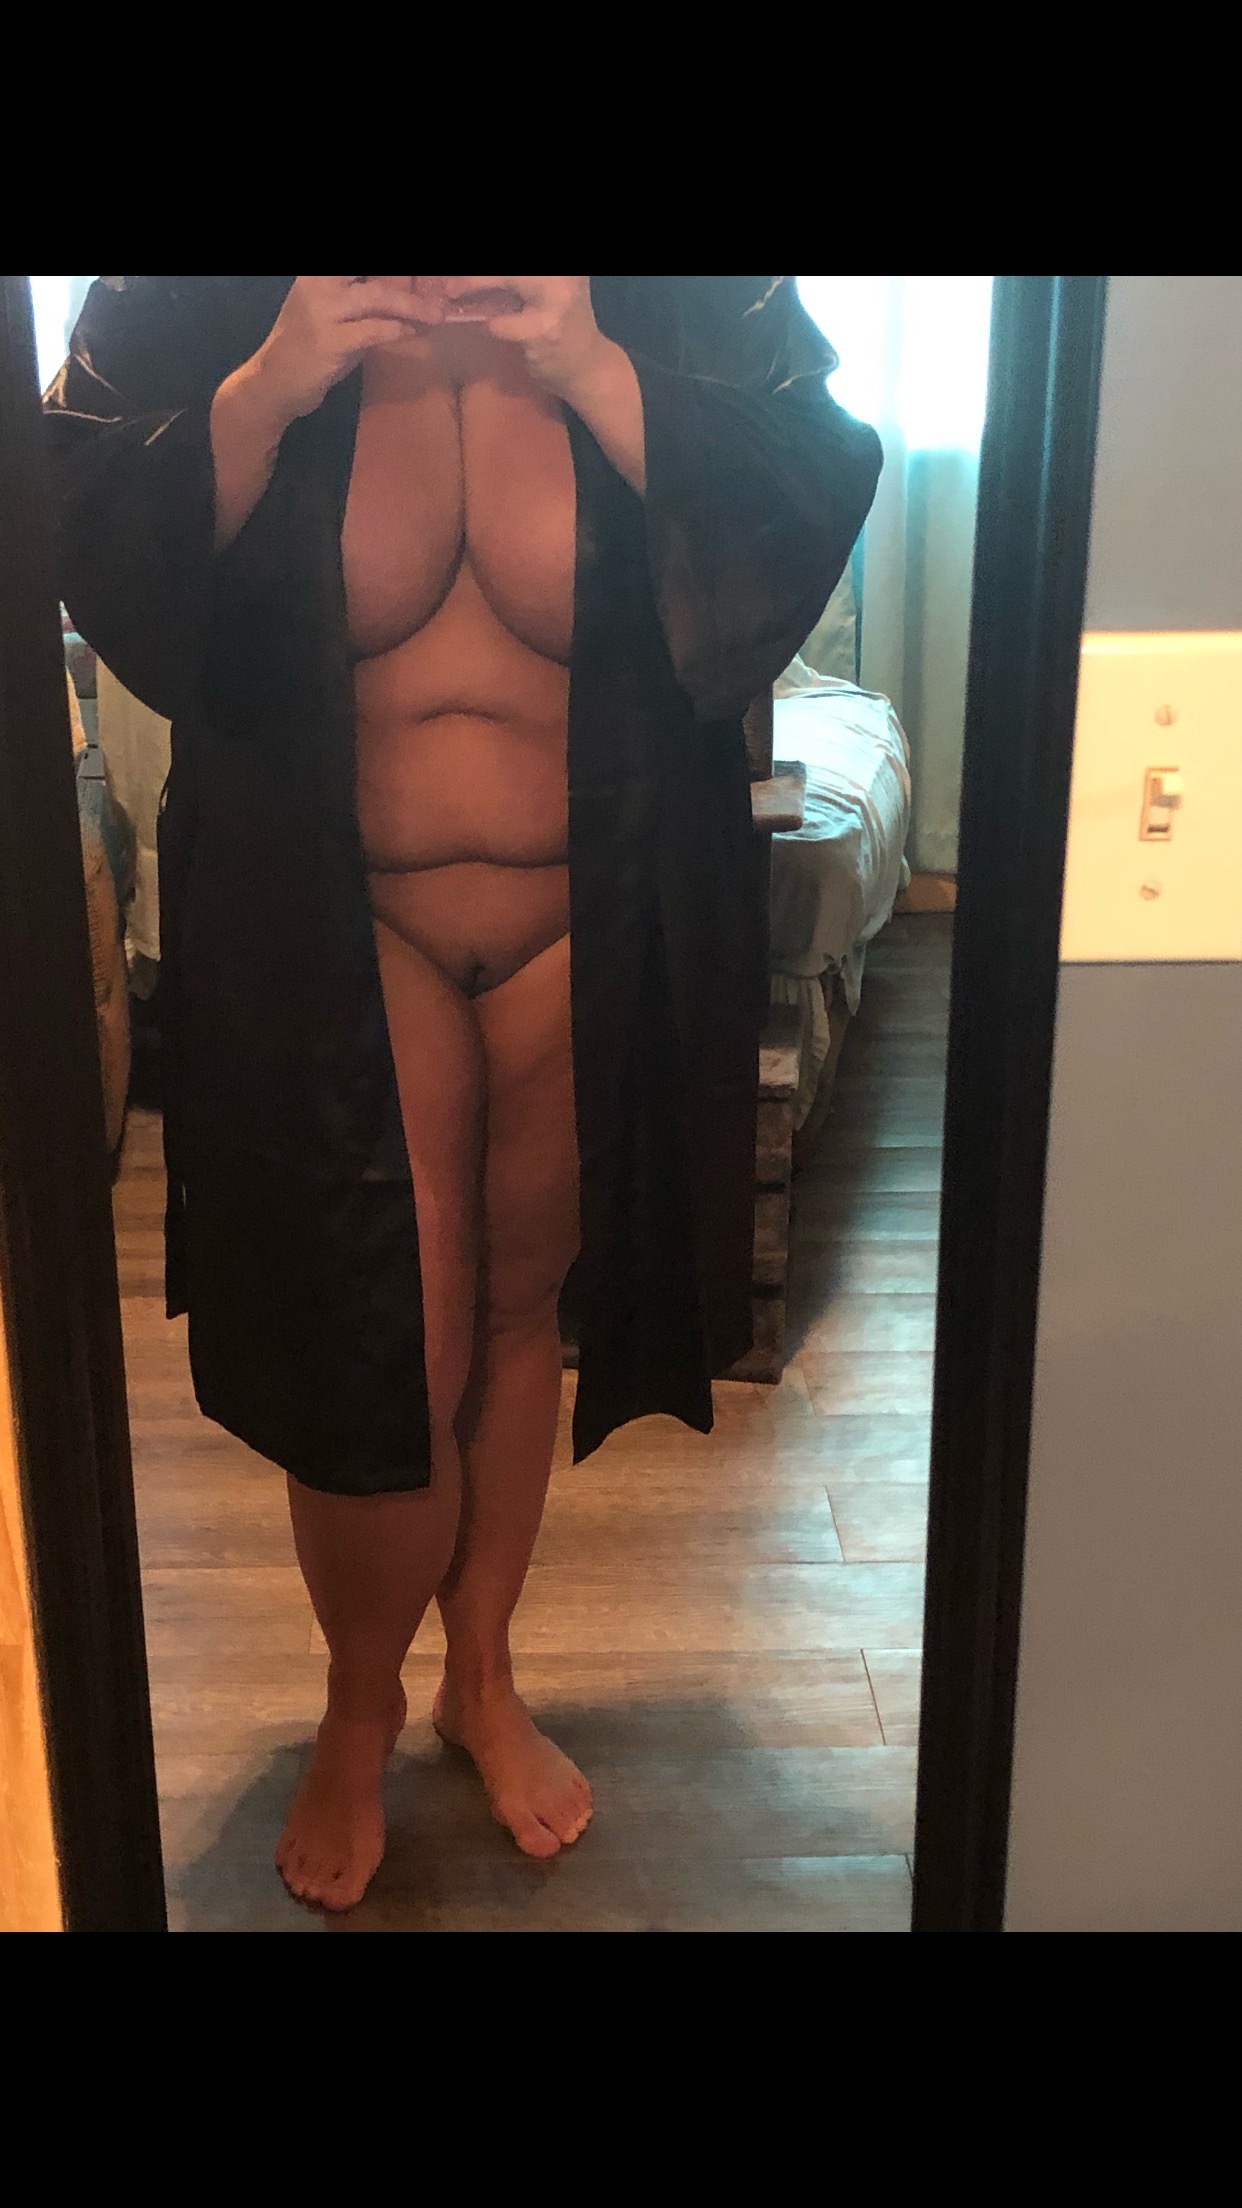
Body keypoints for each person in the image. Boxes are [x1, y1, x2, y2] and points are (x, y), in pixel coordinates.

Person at [45, 276, 881, 1910]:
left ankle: (480, 1677)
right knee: (387, 1332)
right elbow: (80, 519)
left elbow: (809, 484)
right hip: (334, 916)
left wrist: (598, 370)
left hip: (596, 909)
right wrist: (266, 390)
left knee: (512, 1311)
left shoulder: (680, 293)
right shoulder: (199, 294)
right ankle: (357, 1706)